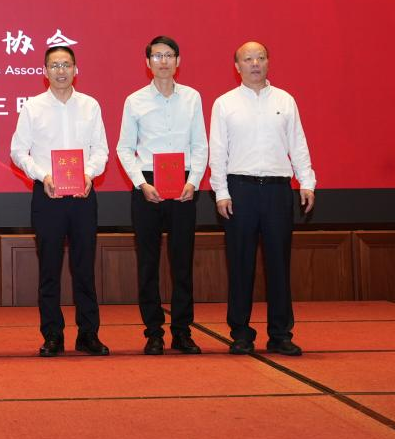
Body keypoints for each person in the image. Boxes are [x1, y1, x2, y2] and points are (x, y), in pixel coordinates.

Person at [210, 41, 316, 356]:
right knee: (240, 264)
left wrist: (307, 181)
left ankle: (280, 334)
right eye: (248, 59)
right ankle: (240, 333)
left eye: (260, 58)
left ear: (268, 62)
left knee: (278, 264)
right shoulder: (224, 103)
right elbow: (218, 151)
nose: (254, 63)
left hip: (277, 189)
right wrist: (221, 191)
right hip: (239, 189)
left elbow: (297, 143)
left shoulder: (285, 100)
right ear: (237, 66)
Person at [10, 45, 110, 357]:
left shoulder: (90, 105)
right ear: (44, 72)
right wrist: (43, 176)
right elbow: (17, 151)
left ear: (76, 69)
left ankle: (88, 334)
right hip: (48, 196)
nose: (61, 71)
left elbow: (101, 150)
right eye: (54, 65)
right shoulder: (33, 107)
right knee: (49, 269)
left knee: (84, 268)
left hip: (83, 196)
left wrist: (89, 175)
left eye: (66, 64)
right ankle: (52, 335)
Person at [115, 35, 208, 356]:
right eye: (157, 56)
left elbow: (200, 145)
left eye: (169, 55)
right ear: (148, 63)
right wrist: (141, 183)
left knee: (182, 263)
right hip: (148, 185)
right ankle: (153, 332)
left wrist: (193, 181)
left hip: (184, 185)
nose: (163, 61)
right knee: (148, 263)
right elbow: (124, 148)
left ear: (178, 61)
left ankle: (182, 332)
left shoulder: (192, 98)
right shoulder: (135, 101)